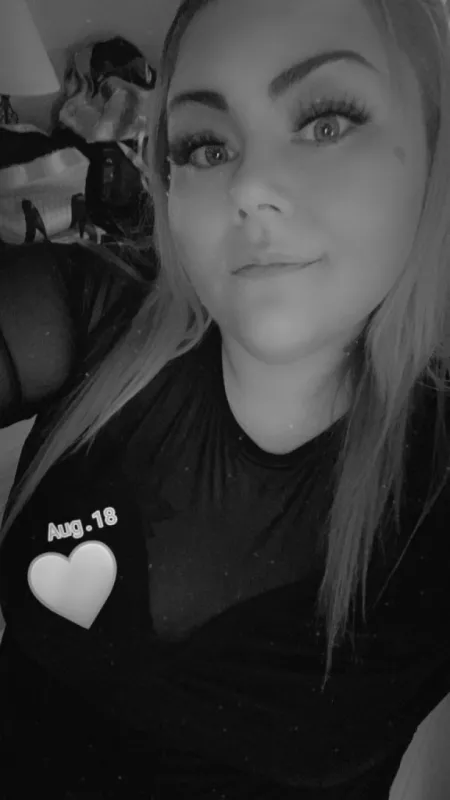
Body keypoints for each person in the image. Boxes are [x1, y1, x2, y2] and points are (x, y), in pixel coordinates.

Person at [1, 0, 450, 796]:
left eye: (325, 122)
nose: (249, 185)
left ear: (433, 154)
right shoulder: (87, 314)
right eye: (206, 147)